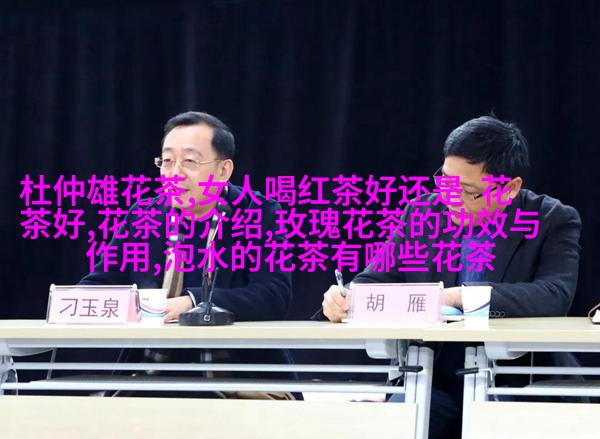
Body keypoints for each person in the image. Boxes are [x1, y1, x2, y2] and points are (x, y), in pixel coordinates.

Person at [320, 115, 582, 438]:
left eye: (468, 191)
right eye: (445, 182)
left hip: (519, 384)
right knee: (396, 427)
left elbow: (554, 294)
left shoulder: (551, 219)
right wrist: (345, 298)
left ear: (510, 188)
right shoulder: (421, 213)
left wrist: (460, 297)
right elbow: (372, 280)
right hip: (433, 380)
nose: (450, 199)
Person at [78, 111, 293, 375]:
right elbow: (98, 286)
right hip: (149, 375)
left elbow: (274, 295)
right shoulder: (144, 216)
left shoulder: (258, 213)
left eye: (189, 161)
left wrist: (194, 302)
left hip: (241, 375)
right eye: (167, 161)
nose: (175, 174)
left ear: (223, 170)